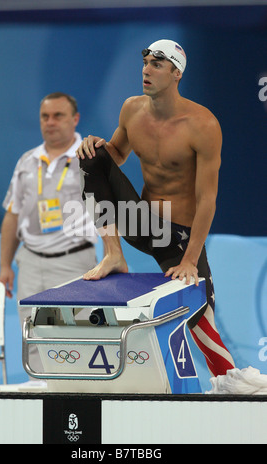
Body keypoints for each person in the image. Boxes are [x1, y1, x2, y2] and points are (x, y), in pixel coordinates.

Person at [76, 40, 235, 377]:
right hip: (140, 222)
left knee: (201, 320)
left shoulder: (203, 126)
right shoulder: (131, 109)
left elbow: (208, 199)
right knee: (93, 159)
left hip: (176, 237)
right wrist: (96, 145)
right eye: (145, 62)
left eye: (157, 65)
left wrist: (191, 259)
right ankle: (113, 254)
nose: (146, 70)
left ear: (176, 73)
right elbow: (116, 155)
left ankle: (231, 387)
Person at [0, 92, 98, 382]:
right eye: (45, 116)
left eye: (58, 115)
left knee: (77, 335)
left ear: (75, 119)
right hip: (30, 262)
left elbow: (109, 211)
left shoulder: (89, 156)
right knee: (31, 334)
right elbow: (13, 214)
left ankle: (77, 396)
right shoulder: (27, 161)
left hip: (75, 262)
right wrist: (6, 265)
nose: (50, 122)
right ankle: (38, 394)